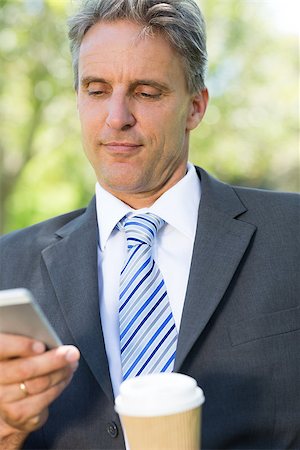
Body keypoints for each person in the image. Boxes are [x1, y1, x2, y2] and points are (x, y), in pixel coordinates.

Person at [0, 0, 299, 448]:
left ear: (195, 107)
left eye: (146, 92)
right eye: (97, 90)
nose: (116, 118)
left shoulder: (291, 234)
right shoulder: (8, 264)